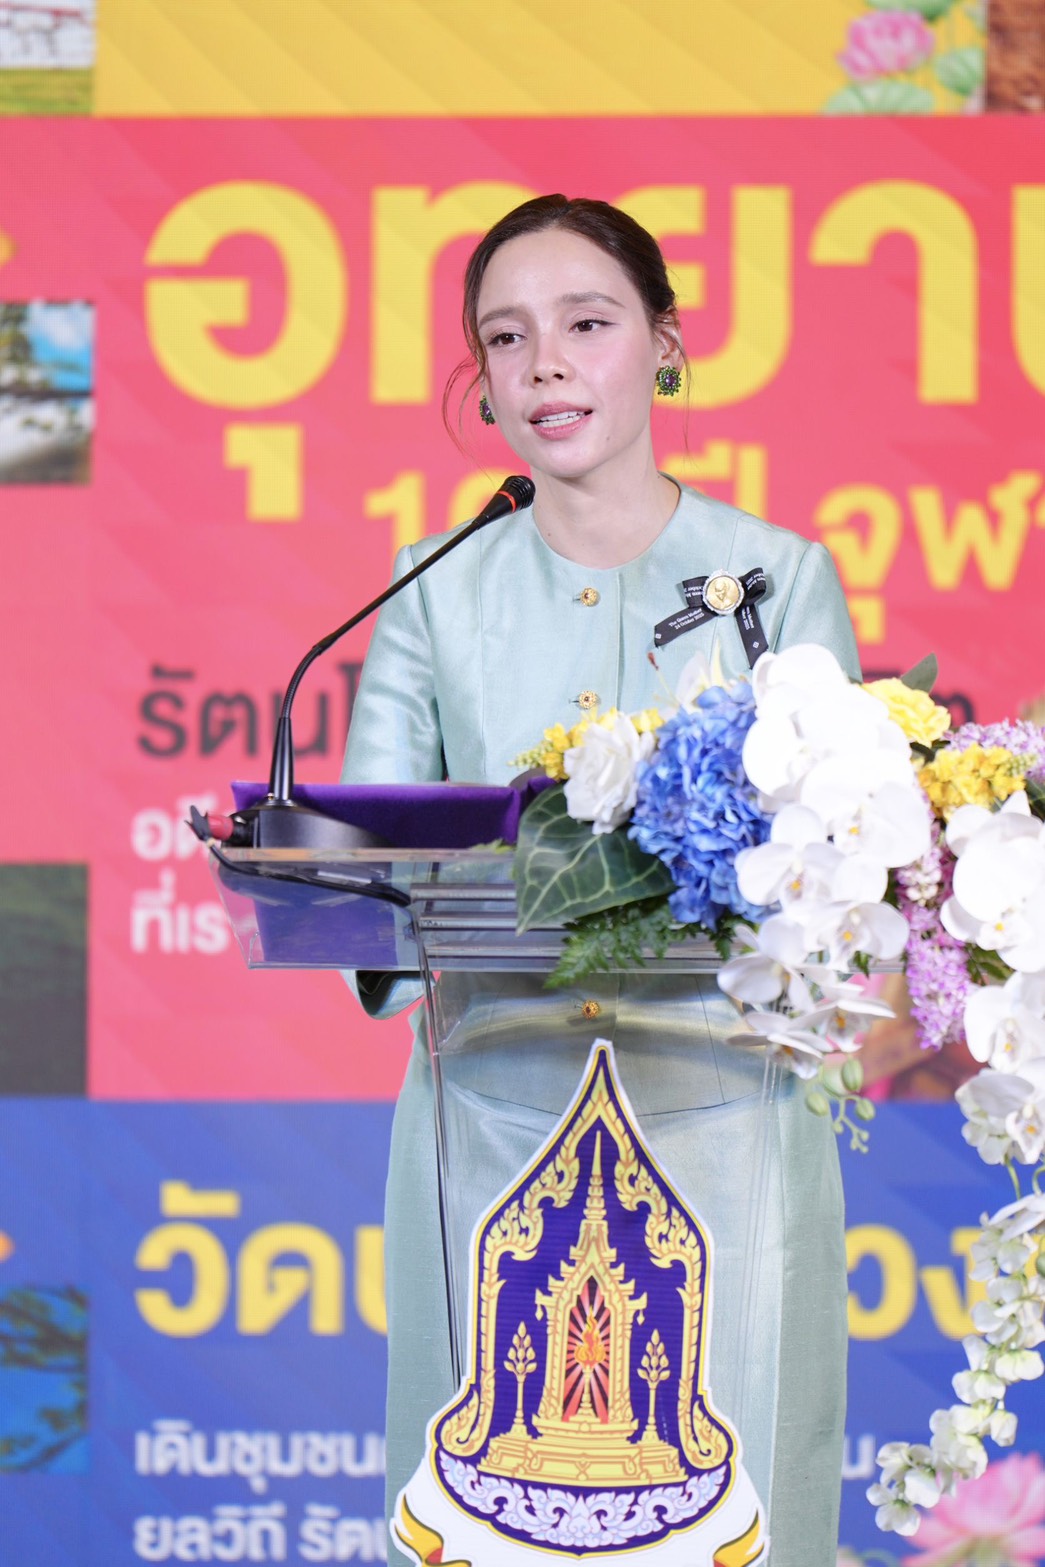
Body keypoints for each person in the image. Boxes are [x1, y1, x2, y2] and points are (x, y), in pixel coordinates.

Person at [342, 195, 860, 1567]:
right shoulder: (431, 588)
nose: (547, 364)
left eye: (587, 323)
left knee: (734, 1500)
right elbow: (369, 861)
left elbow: (835, 872)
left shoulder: (780, 578)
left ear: (663, 348)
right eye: (507, 338)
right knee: (485, 1506)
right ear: (482, 377)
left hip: (726, 1118)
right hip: (487, 1122)